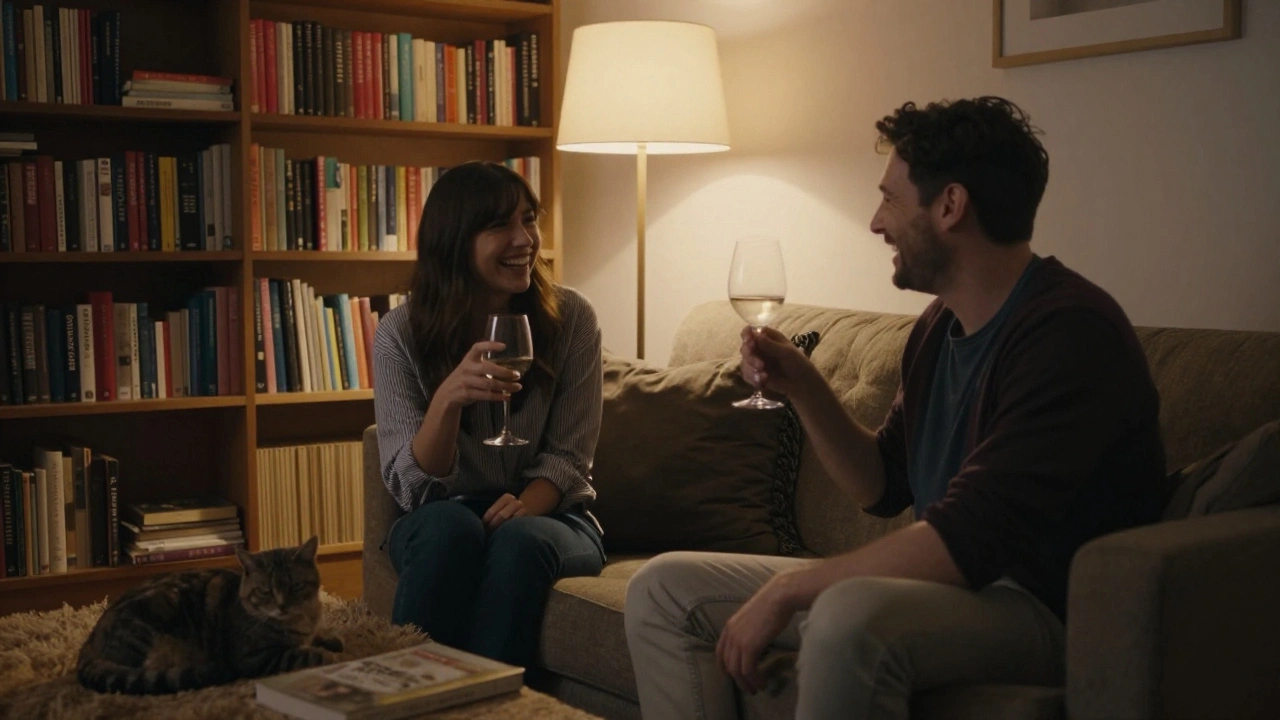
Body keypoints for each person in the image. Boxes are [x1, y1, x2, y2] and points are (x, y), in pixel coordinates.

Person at [623, 97, 1167, 719]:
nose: (876, 222)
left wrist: (790, 588)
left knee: (846, 615)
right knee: (662, 588)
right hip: (955, 587)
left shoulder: (1070, 333)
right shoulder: (939, 327)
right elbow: (881, 485)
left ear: (951, 206)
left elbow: (970, 538)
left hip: (1041, 606)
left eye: (890, 199)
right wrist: (804, 386)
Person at [373, 161, 606, 667]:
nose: (525, 239)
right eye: (500, 225)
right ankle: (408, 688)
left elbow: (569, 457)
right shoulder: (400, 333)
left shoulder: (572, 319)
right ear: (455, 241)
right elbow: (413, 489)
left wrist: (524, 506)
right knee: (448, 529)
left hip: (552, 516)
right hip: (444, 511)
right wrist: (447, 401)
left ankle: (495, 699)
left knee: (520, 540)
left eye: (529, 219)